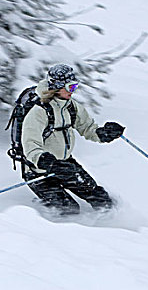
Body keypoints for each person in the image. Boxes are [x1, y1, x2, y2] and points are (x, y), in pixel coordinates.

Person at [21, 63, 125, 215]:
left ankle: (116, 230)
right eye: (70, 87)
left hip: (66, 165)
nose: (73, 91)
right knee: (69, 210)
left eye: (75, 86)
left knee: (101, 200)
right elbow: (31, 147)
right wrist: (49, 163)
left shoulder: (71, 107)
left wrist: (104, 133)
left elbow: (88, 128)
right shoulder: (38, 112)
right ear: (57, 87)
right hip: (39, 172)